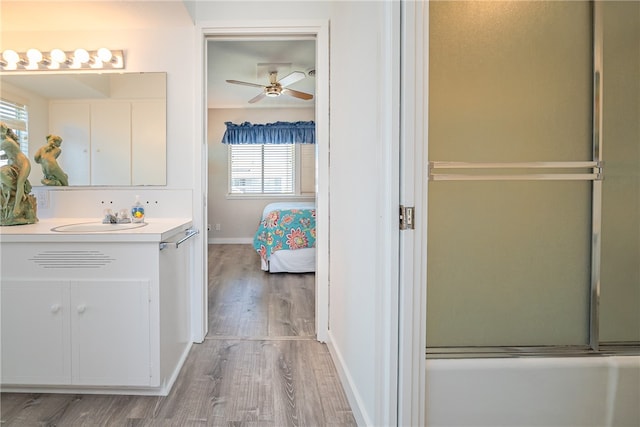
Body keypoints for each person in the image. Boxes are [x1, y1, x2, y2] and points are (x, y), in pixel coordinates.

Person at [0, 123, 36, 224]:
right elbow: (8, 154)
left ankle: (16, 208)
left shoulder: (7, 141)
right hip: (13, 163)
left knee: (20, 183)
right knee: (3, 176)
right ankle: (21, 193)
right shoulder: (5, 141)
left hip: (23, 163)